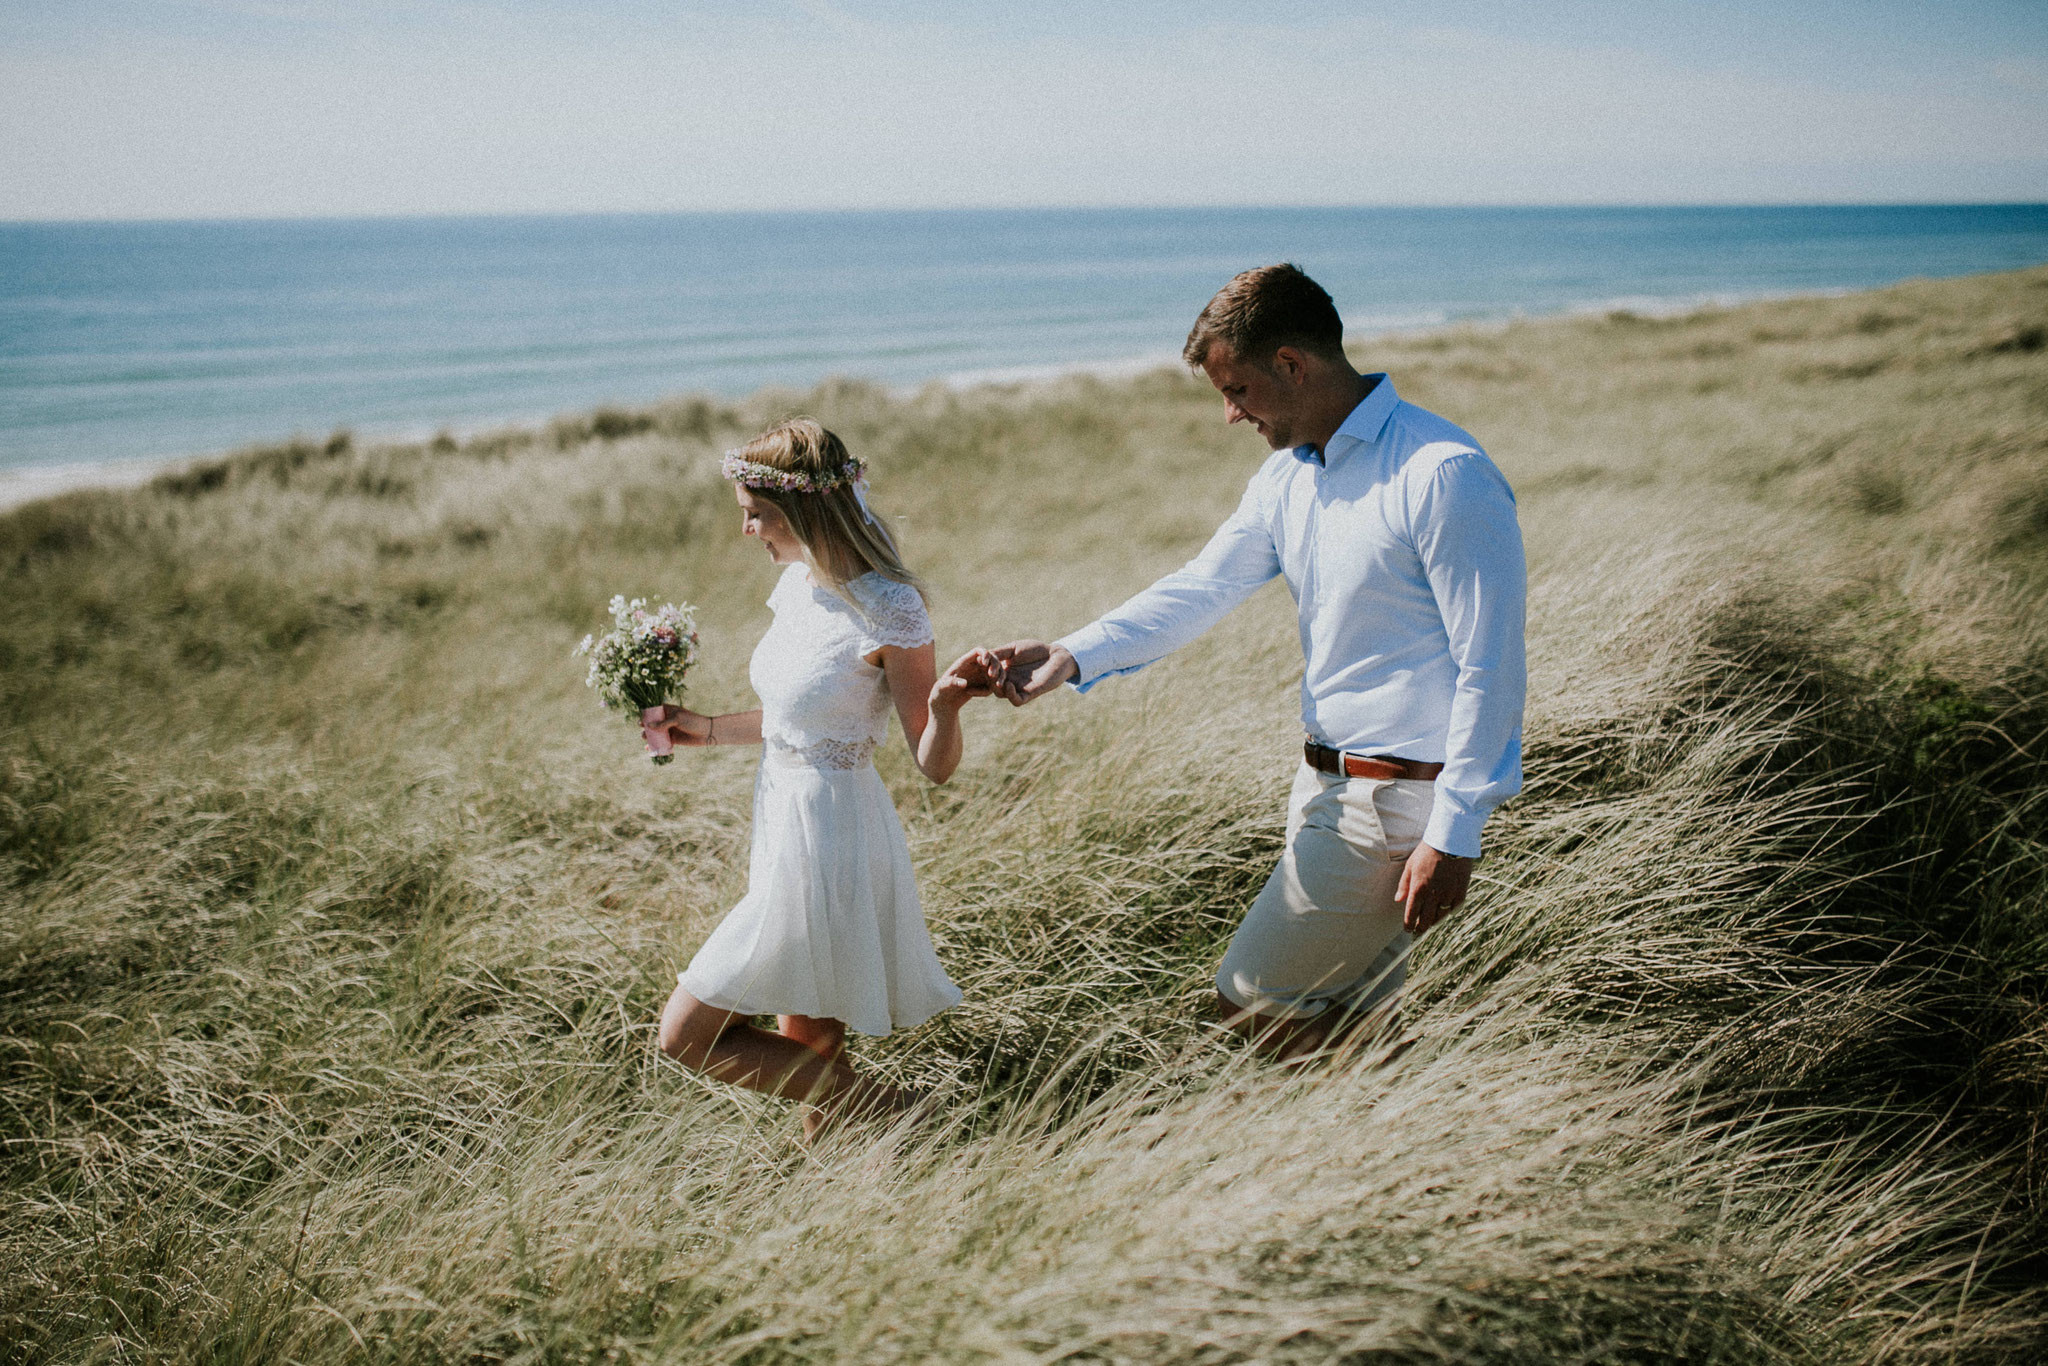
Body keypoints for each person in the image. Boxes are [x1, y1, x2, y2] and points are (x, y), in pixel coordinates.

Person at [991, 264, 1526, 1061]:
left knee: (1246, 1002)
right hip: (1320, 785)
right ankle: (1406, 1161)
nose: (1231, 414)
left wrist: (1455, 834)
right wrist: (1073, 654)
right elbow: (1201, 587)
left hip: (1395, 804)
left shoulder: (1441, 473)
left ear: (1291, 363)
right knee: (1360, 1020)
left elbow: (1491, 666)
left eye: (1235, 389)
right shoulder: (1286, 478)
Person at [644, 418, 994, 1139]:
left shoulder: (890, 608)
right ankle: (850, 1189)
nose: (748, 532)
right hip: (782, 827)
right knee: (811, 1056)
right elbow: (794, 719)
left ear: (800, 509)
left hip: (834, 839)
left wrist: (947, 707)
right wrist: (704, 727)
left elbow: (933, 762)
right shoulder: (799, 586)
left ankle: (900, 1112)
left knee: (684, 1036)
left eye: (755, 515)